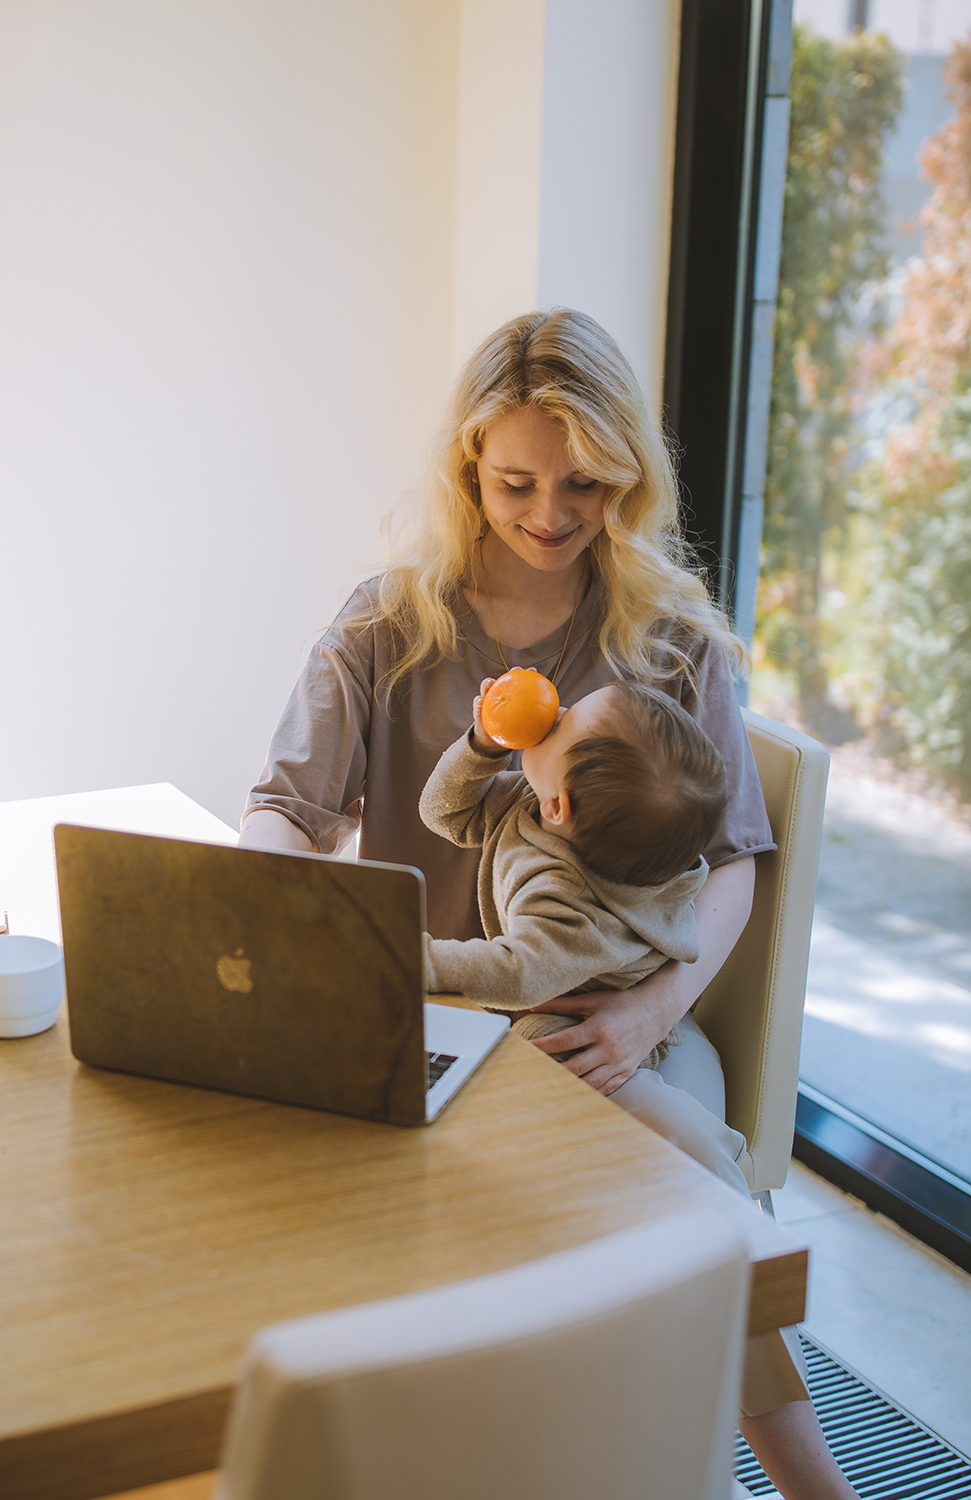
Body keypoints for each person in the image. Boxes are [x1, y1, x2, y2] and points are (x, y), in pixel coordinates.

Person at [241, 308, 860, 1500]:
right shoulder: (386, 624)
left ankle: (799, 1480)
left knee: (692, 1200)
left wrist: (648, 1014)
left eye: (584, 483)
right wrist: (277, 899)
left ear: (627, 475)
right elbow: (286, 806)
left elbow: (733, 860)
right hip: (428, 1017)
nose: (550, 514)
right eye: (517, 482)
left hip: (607, 1027)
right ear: (468, 465)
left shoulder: (667, 640)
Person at [418, 679, 725, 1068]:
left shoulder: (568, 903)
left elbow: (518, 972)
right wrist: (483, 747)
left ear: (558, 807)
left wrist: (413, 959)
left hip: (591, 1019)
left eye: (563, 724)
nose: (556, 712)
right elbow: (445, 812)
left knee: (541, 1042)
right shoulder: (538, 802)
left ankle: (650, 1100)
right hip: (547, 988)